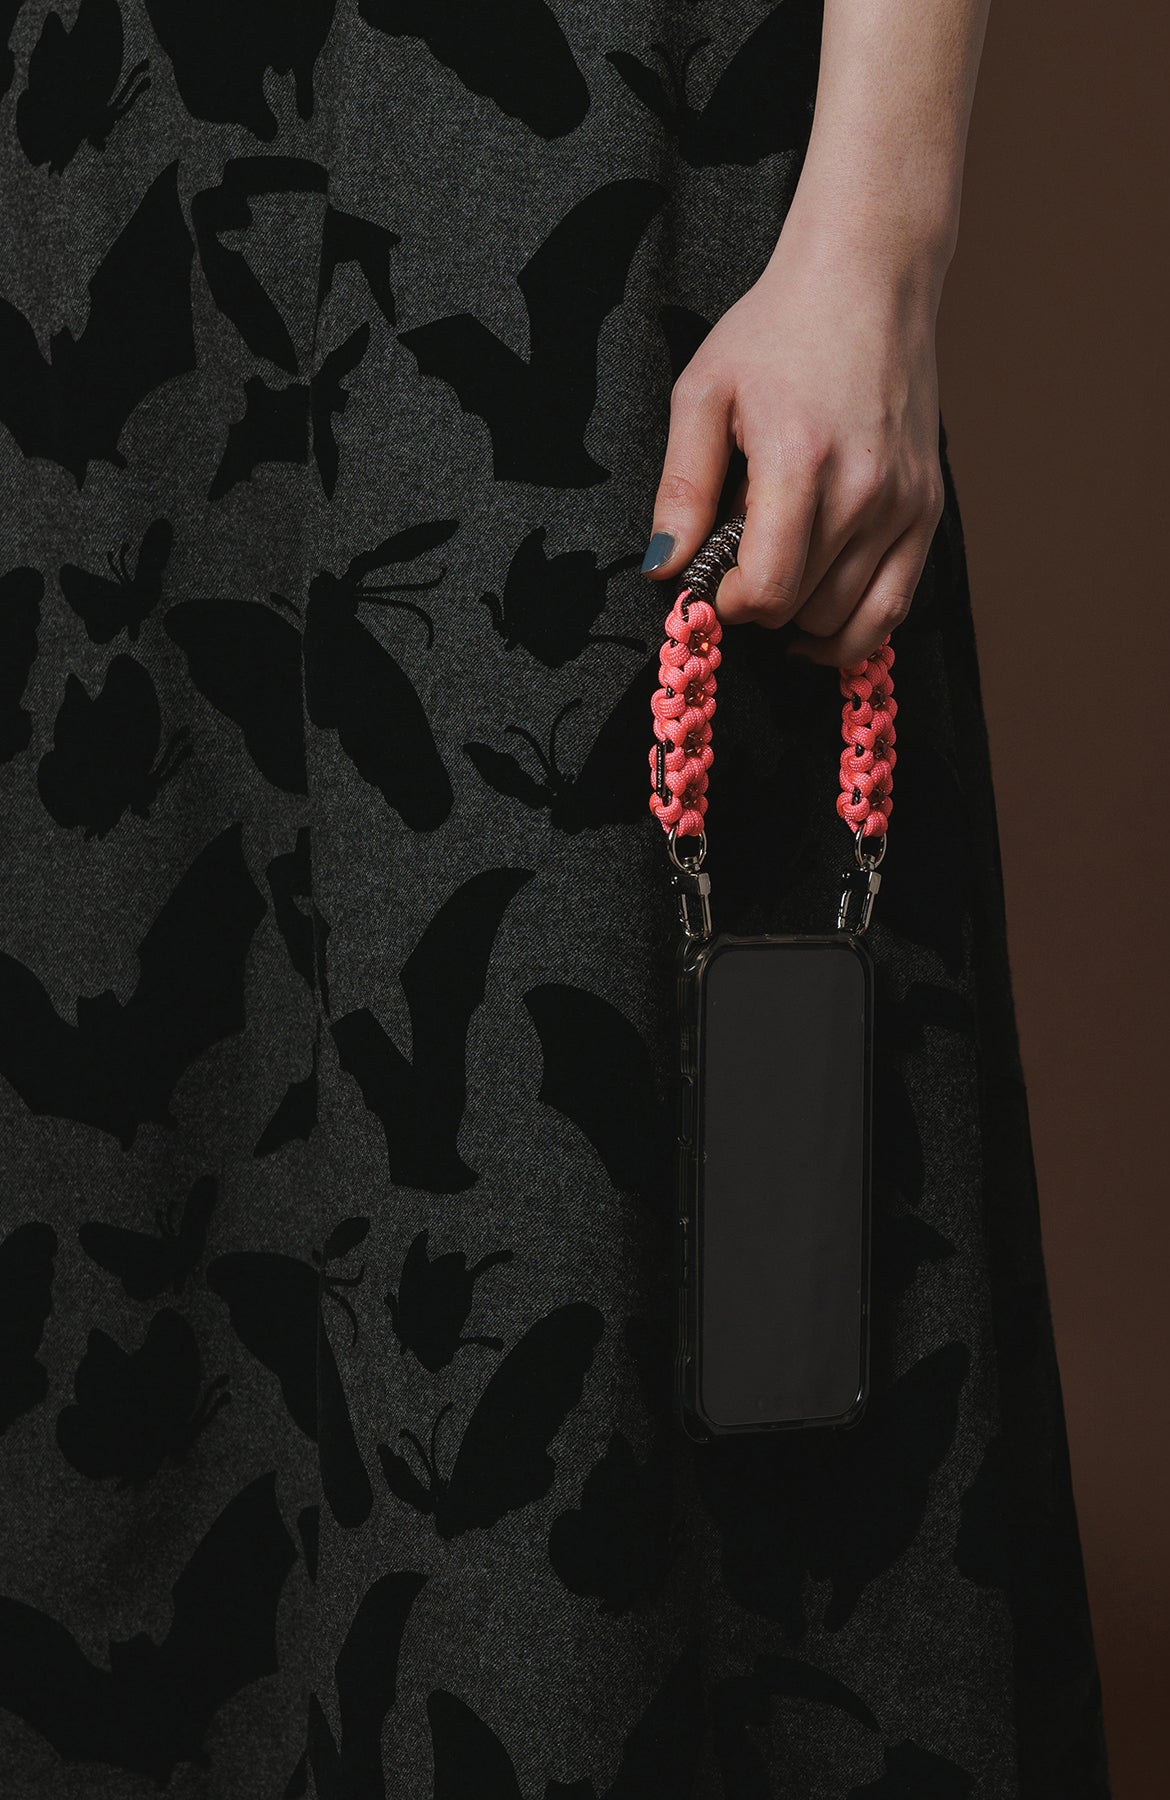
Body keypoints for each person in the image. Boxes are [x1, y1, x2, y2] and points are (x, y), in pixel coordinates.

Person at [0, 2, 1107, 1794]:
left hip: (563, 154)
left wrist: (881, 231)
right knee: (121, 1212)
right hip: (92, 165)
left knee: (572, 1182)